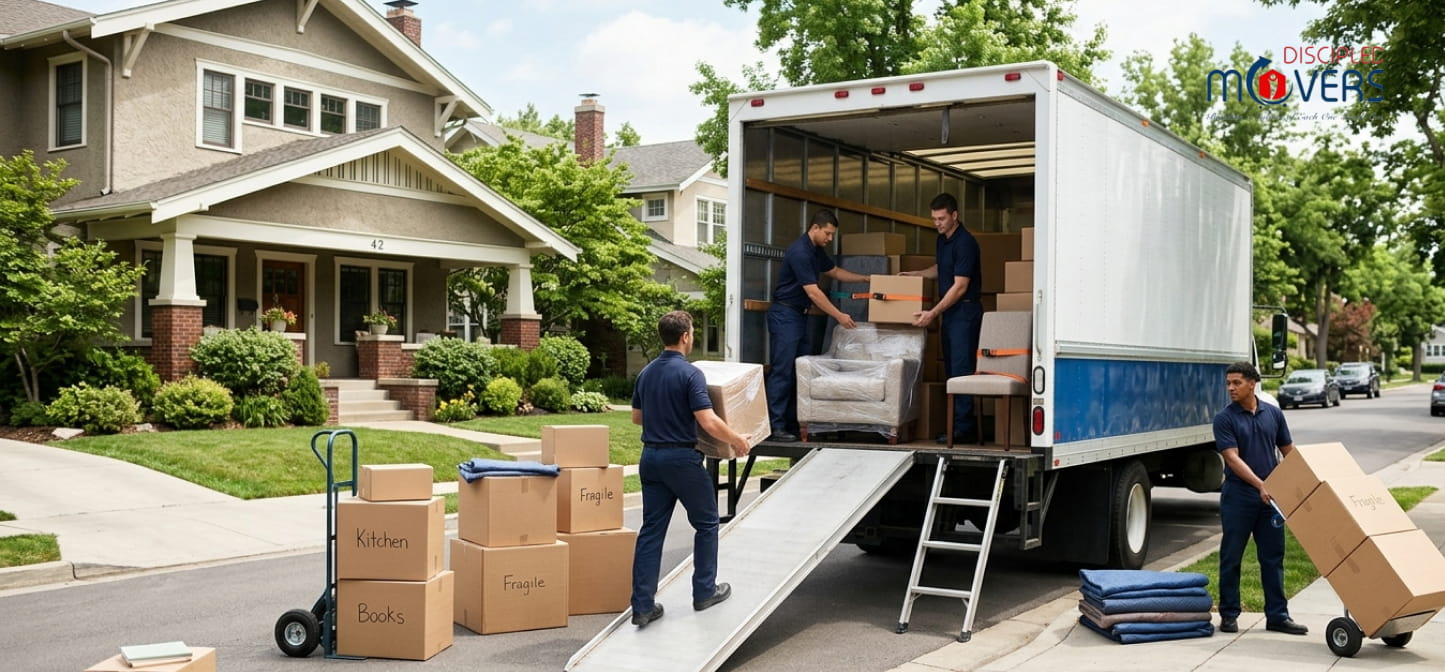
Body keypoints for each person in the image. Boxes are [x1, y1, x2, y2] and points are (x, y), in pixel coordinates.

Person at [629, 310, 752, 628]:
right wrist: (738, 439)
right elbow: (708, 420)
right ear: (685, 336)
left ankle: (642, 607)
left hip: (650, 458)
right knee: (708, 522)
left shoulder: (646, 373)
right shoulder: (690, 374)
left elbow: (637, 419)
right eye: (693, 332)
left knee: (651, 531)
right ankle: (704, 592)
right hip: (680, 460)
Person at [1213, 361, 1308, 636]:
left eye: (1236, 383)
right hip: (1239, 497)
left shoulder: (1274, 414)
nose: (1230, 388)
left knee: (1273, 557)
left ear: (1252, 384)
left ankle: (1278, 616)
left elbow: (1289, 451)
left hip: (1271, 499)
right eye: (1228, 383)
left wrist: (1308, 478)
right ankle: (1229, 615)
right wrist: (1260, 484)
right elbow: (1231, 458)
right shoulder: (1225, 419)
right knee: (1231, 556)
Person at [765, 209, 871, 442]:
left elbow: (834, 271)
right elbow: (813, 292)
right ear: (815, 228)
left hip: (800, 317)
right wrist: (839, 315)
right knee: (782, 371)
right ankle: (776, 426)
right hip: (786, 315)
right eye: (828, 234)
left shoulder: (816, 251)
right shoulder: (800, 252)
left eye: (832, 235)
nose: (830, 239)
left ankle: (793, 423)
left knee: (801, 370)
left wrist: (865, 280)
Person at [900, 193, 982, 443]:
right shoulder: (942, 241)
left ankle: (963, 429)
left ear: (955, 215)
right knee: (951, 369)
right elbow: (942, 268)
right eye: (934, 219)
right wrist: (917, 274)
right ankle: (956, 425)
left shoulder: (966, 243)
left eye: (942, 218)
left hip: (964, 312)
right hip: (951, 314)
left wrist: (933, 312)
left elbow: (960, 286)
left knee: (961, 369)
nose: (937, 223)